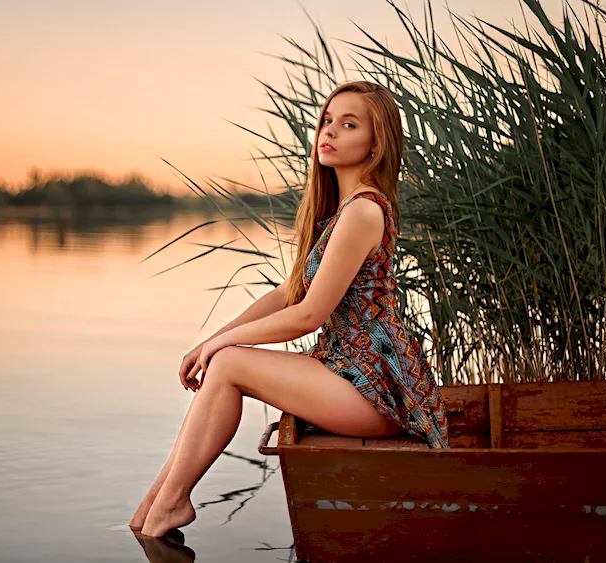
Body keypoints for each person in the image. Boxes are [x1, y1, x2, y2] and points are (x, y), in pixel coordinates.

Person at [130, 80, 449, 539]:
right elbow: (288, 293)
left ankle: (168, 506)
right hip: (346, 373)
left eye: (348, 124)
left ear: (376, 144)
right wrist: (209, 340)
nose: (329, 131)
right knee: (223, 361)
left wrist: (222, 343)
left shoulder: (363, 211)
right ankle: (155, 509)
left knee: (229, 362)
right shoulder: (341, 211)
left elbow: (307, 316)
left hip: (377, 391)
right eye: (327, 121)